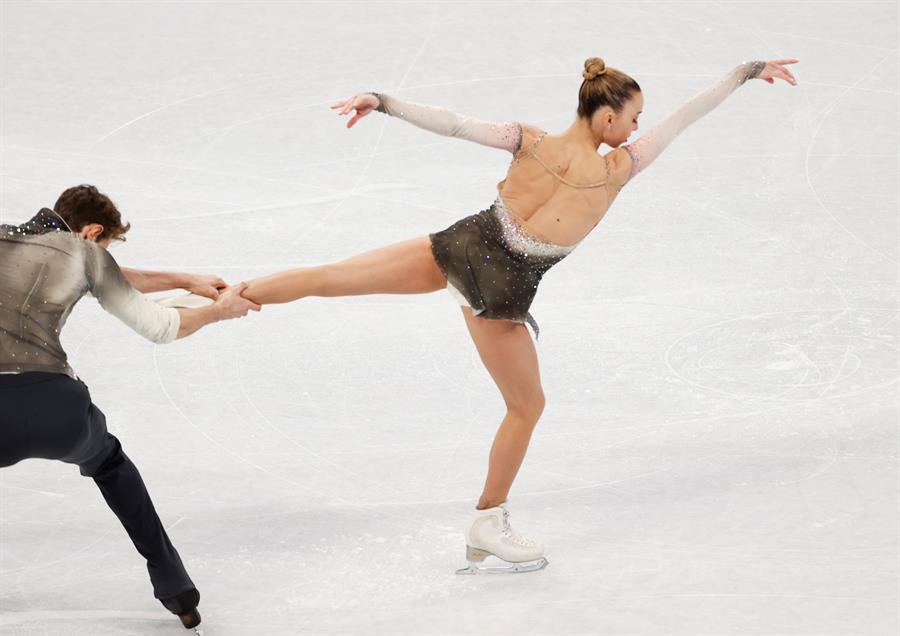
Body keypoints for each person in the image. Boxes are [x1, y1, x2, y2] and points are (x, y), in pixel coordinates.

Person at [173, 56, 799, 573]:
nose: (638, 129)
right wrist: (744, 72)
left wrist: (383, 101)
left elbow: (455, 124)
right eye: (632, 118)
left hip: (463, 253)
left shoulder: (541, 144)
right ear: (607, 115)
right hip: (495, 288)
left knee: (330, 278)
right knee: (527, 407)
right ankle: (487, 522)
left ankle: (216, 302)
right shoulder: (617, 169)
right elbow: (684, 119)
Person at [0, 185, 260, 629]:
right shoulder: (85, 255)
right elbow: (159, 325)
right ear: (93, 232)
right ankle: (177, 591)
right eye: (106, 246)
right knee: (109, 464)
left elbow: (99, 271)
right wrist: (218, 311)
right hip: (58, 411)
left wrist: (182, 278)